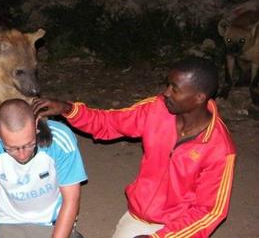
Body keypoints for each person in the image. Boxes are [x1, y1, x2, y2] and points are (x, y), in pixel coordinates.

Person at [32, 57, 236, 238]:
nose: (165, 93)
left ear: (199, 97)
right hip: (139, 217)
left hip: (181, 229)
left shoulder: (219, 148)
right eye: (168, 85)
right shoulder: (156, 110)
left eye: (174, 88)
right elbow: (109, 123)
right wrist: (68, 109)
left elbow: (209, 212)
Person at [0, 98, 87, 238]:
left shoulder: (60, 139)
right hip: (8, 221)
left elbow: (71, 199)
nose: (22, 155)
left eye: (29, 144)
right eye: (12, 148)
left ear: (36, 125)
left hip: (52, 223)